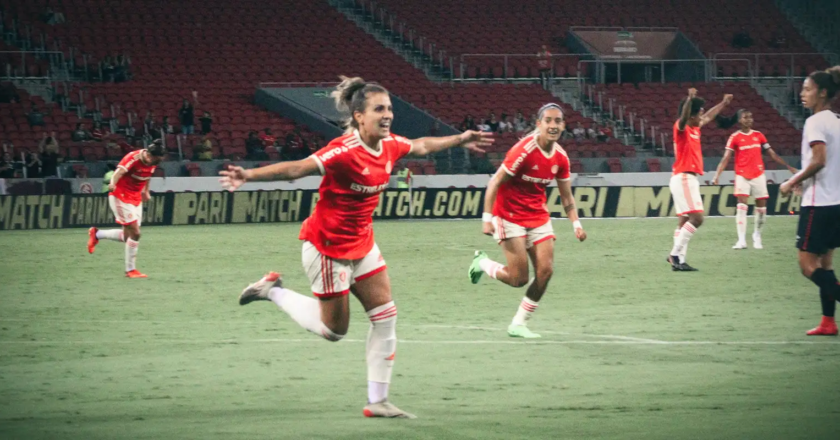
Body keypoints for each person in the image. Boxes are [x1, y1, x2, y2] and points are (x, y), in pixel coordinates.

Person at [219, 76, 492, 418]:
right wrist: (249, 175)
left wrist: (460, 139)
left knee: (386, 317)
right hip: (327, 248)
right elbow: (298, 168)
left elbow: (421, 146)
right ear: (359, 116)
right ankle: (272, 291)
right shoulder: (344, 150)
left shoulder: (390, 145)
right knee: (334, 331)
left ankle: (378, 402)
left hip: (363, 245)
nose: (387, 114)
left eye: (389, 108)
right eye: (379, 109)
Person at [468, 103, 586, 338]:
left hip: (538, 216)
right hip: (508, 215)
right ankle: (482, 263)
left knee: (546, 271)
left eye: (558, 121)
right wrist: (487, 219)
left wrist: (576, 224)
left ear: (563, 125)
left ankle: (518, 323)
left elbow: (566, 197)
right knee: (518, 279)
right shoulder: (523, 150)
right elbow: (495, 182)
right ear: (539, 124)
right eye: (548, 121)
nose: (553, 125)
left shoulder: (561, 158)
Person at [779, 66, 840, 336]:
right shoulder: (836, 120)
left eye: (807, 89)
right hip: (836, 202)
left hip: (819, 204)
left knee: (807, 265)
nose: (802, 93)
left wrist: (792, 181)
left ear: (822, 92)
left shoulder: (815, 122)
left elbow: (819, 160)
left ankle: (828, 321)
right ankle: (828, 322)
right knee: (825, 264)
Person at [667, 88, 733, 271]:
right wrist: (689, 99)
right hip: (684, 177)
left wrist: (723, 103)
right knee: (697, 218)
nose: (702, 116)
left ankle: (679, 261)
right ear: (691, 115)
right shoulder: (681, 127)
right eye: (699, 113)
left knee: (684, 221)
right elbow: (683, 117)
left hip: (685, 178)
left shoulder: (695, 127)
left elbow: (710, 116)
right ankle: (674, 255)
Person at [712, 110, 797, 249]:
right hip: (742, 175)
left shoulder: (759, 135)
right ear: (739, 120)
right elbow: (726, 157)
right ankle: (741, 240)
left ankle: (757, 235)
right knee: (742, 206)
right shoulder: (735, 137)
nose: (749, 119)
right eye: (745, 117)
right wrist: (717, 175)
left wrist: (789, 167)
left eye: (751, 117)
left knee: (761, 208)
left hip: (758, 175)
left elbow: (772, 154)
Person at [87, 140, 166, 278]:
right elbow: (118, 172)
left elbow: (148, 175)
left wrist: (146, 191)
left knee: (127, 237)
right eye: (155, 159)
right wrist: (112, 183)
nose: (155, 162)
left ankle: (97, 234)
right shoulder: (133, 158)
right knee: (136, 233)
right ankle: (130, 270)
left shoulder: (154, 161)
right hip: (121, 196)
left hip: (135, 197)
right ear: (149, 155)